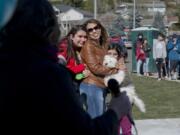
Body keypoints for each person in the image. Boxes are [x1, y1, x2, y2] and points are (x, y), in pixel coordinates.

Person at [0, 0, 131, 134]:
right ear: (50, 29)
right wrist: (115, 111)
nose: (84, 39)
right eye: (81, 36)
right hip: (84, 89)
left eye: (86, 36)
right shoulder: (53, 66)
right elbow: (86, 130)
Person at [80, 19, 125, 118]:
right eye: (90, 30)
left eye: (96, 28)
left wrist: (120, 60)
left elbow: (114, 52)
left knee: (99, 117)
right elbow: (95, 68)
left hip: (101, 85)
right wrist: (116, 69)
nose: (94, 31)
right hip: (91, 85)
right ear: (87, 33)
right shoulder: (88, 46)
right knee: (96, 119)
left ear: (100, 28)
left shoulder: (103, 43)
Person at [106, 43, 133, 135]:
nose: (112, 56)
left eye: (114, 54)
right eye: (109, 53)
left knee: (126, 129)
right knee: (114, 128)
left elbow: (127, 83)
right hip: (111, 104)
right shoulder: (104, 67)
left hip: (124, 102)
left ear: (119, 56)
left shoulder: (122, 67)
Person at [57, 25, 89, 94]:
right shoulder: (63, 48)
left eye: (85, 37)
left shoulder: (76, 48)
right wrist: (82, 68)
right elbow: (65, 73)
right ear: (71, 37)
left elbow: (75, 77)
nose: (83, 39)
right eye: (80, 36)